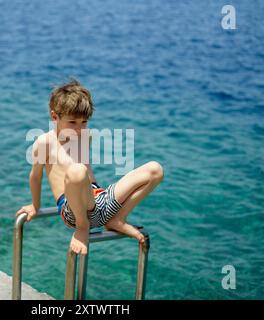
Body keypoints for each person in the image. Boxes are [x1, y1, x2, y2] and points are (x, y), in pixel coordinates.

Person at [15, 79, 164, 255]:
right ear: (55, 117)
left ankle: (118, 219)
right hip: (73, 210)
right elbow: (35, 176)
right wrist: (35, 205)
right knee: (77, 171)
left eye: (84, 122)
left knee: (155, 170)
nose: (79, 129)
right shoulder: (45, 142)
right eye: (72, 122)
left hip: (98, 202)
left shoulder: (86, 136)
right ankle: (82, 228)